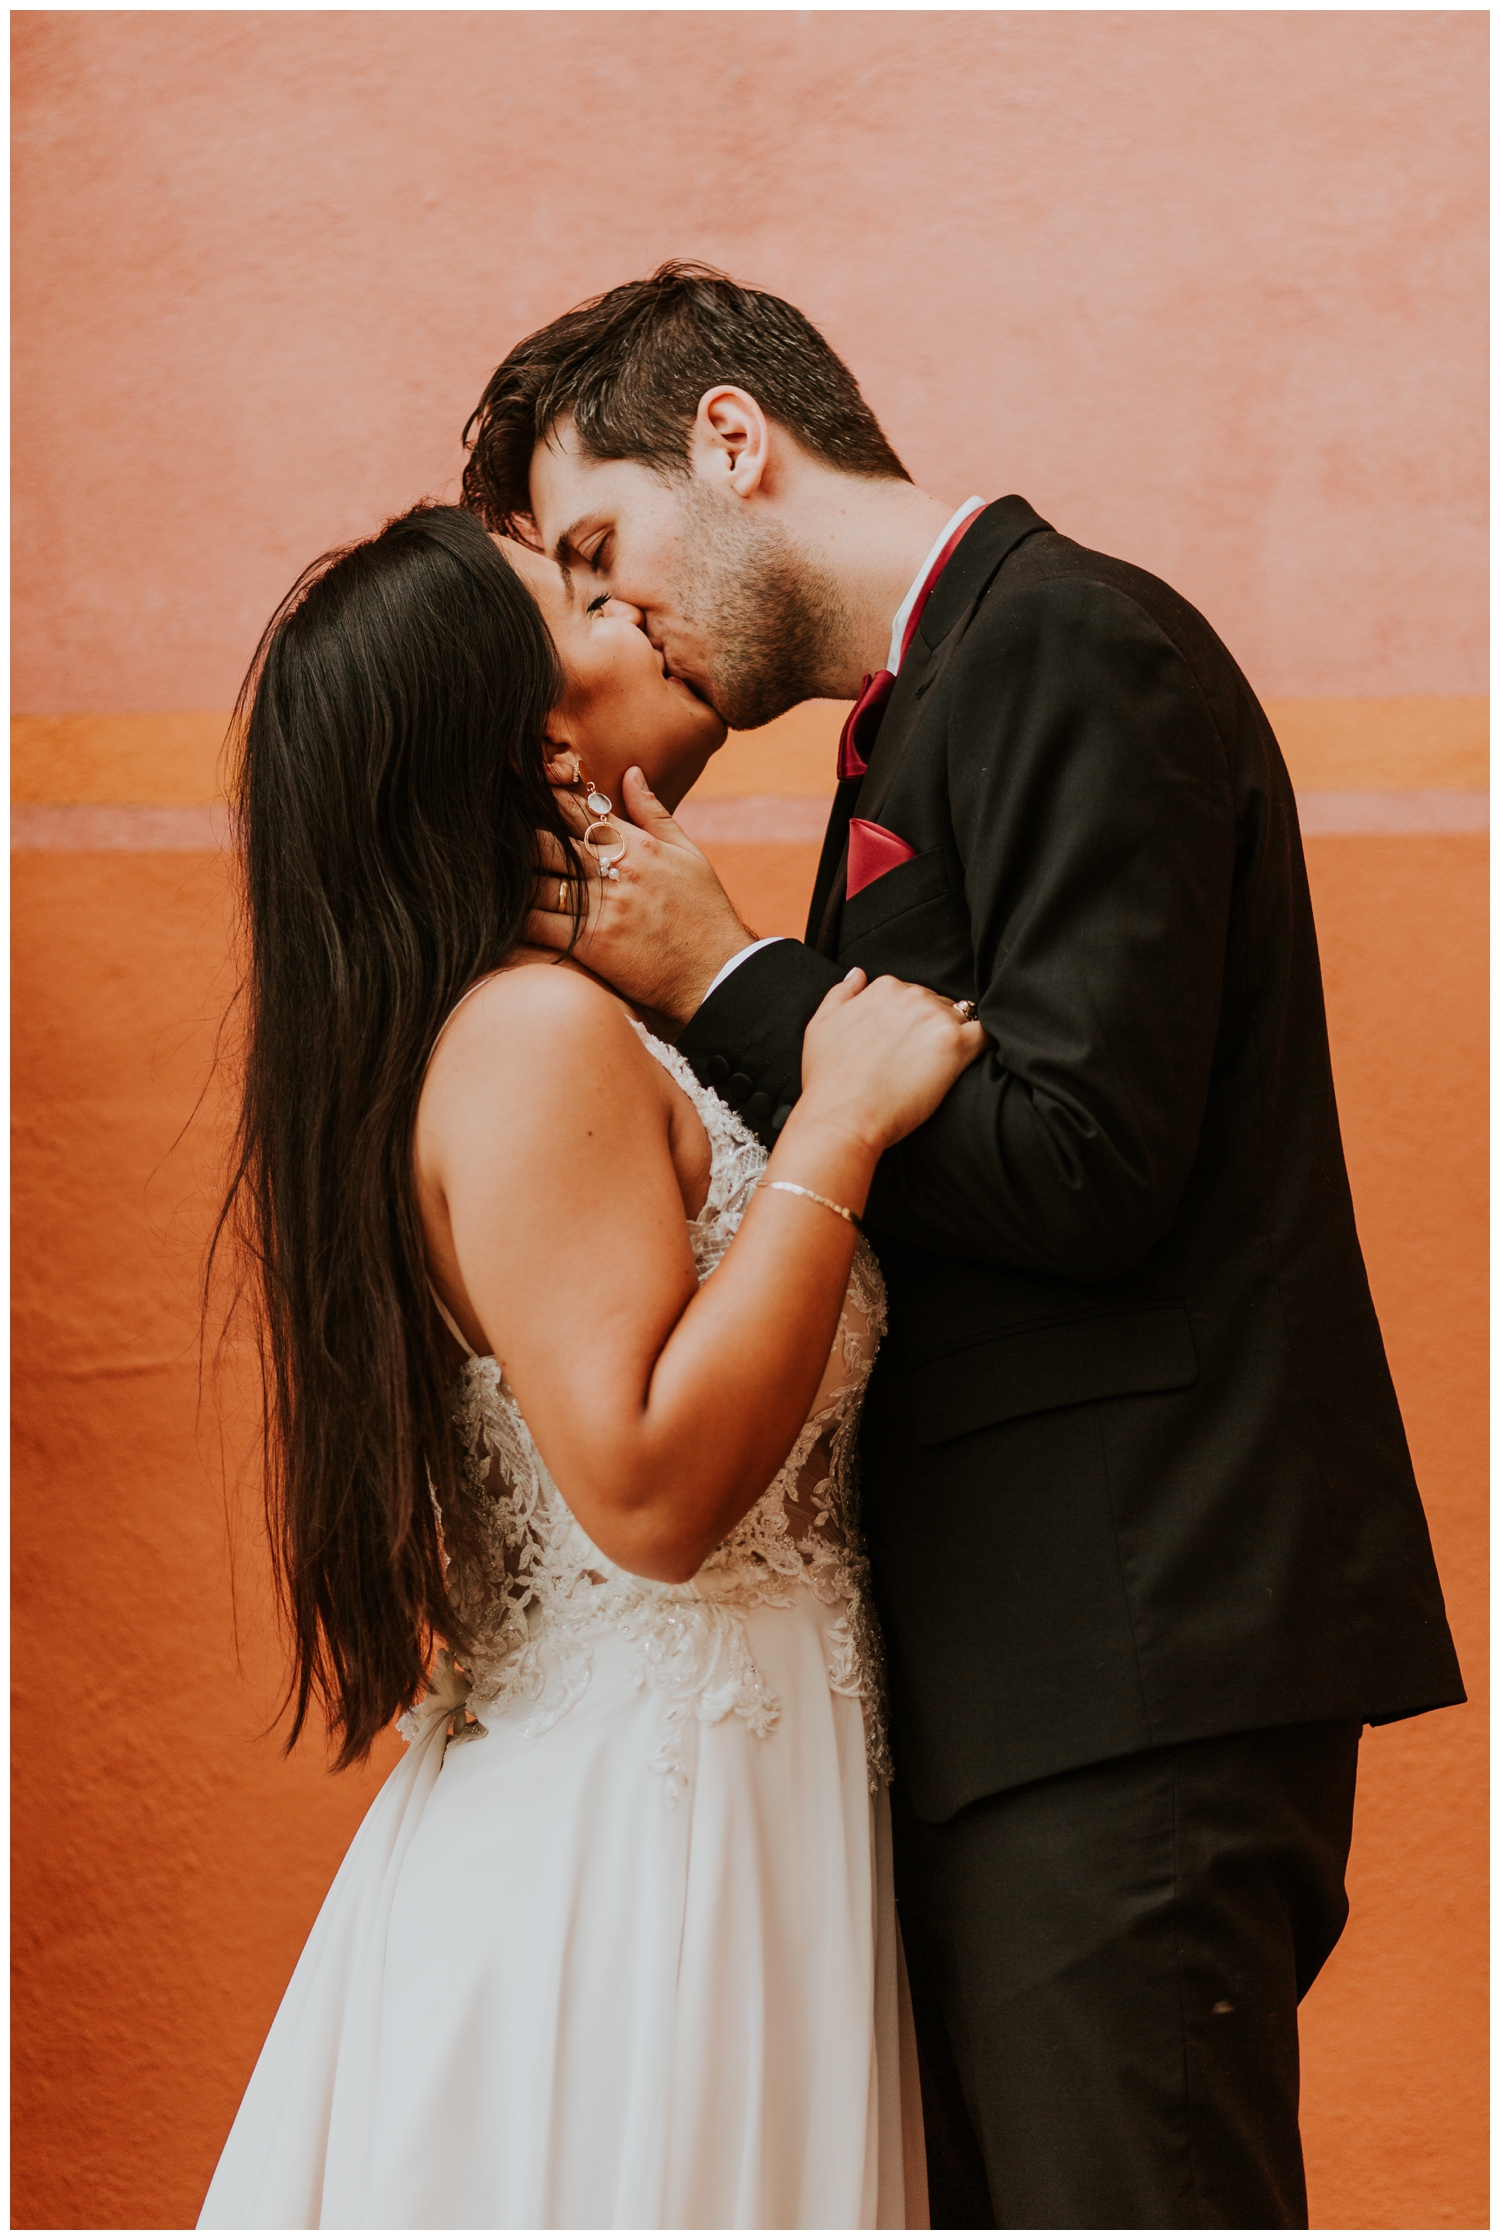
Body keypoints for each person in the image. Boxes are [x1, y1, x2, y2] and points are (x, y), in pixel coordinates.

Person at [460, 262, 1467, 2230]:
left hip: (1132, 1665)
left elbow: (1089, 1163)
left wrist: (727, 966)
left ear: (734, 443)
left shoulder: (1079, 647)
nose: (618, 616)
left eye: (604, 547)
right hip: (1036, 1689)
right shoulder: (923, 721)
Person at [197, 501, 985, 2229]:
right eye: (575, 594)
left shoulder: (571, 1016)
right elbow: (645, 1492)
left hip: (738, 1815)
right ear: (530, 734)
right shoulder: (529, 1036)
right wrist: (837, 1133)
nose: (632, 599)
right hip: (645, 1864)